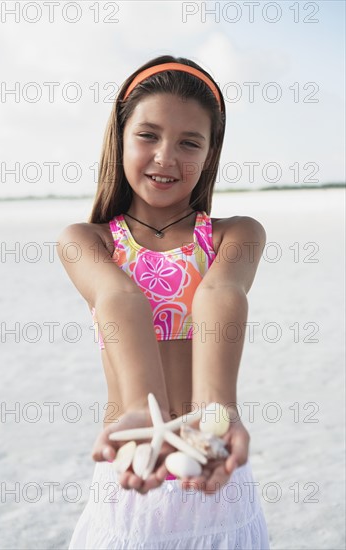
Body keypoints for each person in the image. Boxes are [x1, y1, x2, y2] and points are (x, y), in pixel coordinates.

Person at [57, 54, 270, 549]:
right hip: (132, 459)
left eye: (189, 142)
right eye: (148, 134)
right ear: (120, 137)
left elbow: (220, 294)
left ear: (210, 155)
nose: (165, 156)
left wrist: (216, 412)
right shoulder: (88, 241)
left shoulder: (234, 235)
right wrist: (138, 409)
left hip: (211, 460)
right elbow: (118, 297)